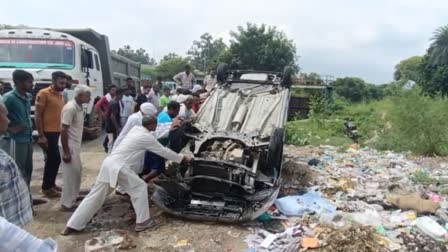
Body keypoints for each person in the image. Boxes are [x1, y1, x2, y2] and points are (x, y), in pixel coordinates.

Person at [61, 116, 192, 235]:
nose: (156, 127)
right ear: (152, 124)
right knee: (140, 187)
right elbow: (163, 151)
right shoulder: (145, 137)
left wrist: (170, 127)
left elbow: (155, 133)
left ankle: (73, 224)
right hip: (119, 167)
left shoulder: (137, 130)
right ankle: (143, 223)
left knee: (95, 195)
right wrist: (183, 158)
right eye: (155, 124)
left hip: (109, 164)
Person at [59, 85, 100, 211]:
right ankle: (66, 203)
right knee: (70, 175)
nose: (89, 98)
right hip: (69, 145)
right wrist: (66, 152)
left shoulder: (79, 107)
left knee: (76, 172)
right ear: (79, 95)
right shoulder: (70, 108)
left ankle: (73, 196)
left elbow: (76, 125)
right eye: (87, 96)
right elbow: (63, 130)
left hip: (74, 144)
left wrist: (88, 130)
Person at [0, 102, 33, 227]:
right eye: (5, 116)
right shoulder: (3, 162)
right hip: (9, 234)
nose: (8, 121)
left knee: (25, 172)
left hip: (14, 229)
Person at [35, 71, 67, 198]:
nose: (63, 85)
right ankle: (46, 187)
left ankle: (52, 184)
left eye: (65, 83)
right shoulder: (43, 94)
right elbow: (38, 115)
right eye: (61, 83)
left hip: (58, 131)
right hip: (48, 132)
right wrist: (41, 135)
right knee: (51, 159)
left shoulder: (61, 95)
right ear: (53, 81)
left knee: (56, 159)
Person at [95, 85, 117, 153]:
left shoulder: (115, 97)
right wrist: (102, 114)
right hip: (108, 117)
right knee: (110, 132)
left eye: (115, 90)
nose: (114, 91)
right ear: (109, 91)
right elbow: (97, 106)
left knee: (113, 132)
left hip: (114, 116)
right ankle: (109, 146)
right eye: (112, 90)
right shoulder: (105, 98)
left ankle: (105, 143)